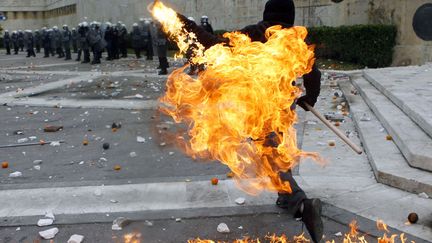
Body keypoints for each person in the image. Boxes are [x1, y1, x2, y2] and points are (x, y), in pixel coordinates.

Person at [174, 0, 323, 242]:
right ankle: (286, 196)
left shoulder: (254, 32)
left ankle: (301, 204)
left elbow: (214, 45)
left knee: (269, 151)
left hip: (259, 104)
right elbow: (313, 73)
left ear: (267, 11)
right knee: (275, 148)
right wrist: (310, 98)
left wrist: (185, 24)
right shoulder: (297, 39)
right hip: (285, 102)